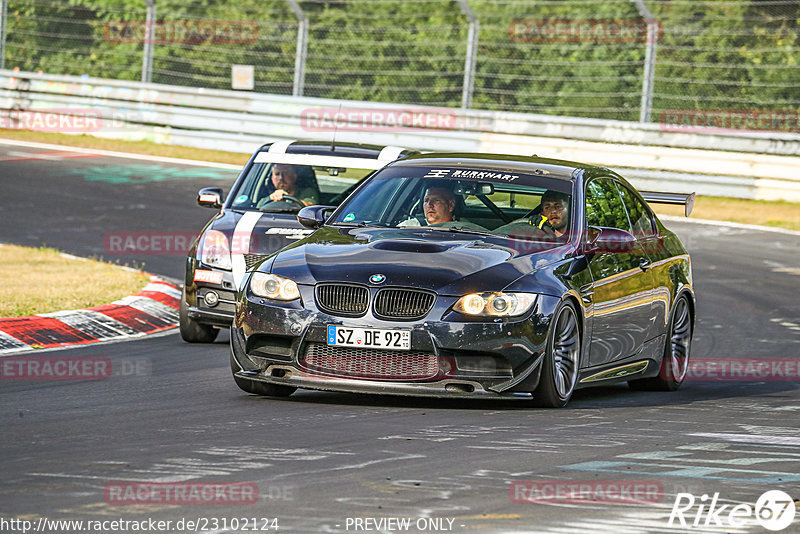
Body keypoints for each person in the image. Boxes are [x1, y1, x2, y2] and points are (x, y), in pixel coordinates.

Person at [398, 184, 486, 231]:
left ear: (451, 205)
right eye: (426, 200)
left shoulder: (465, 228)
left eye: (436, 200)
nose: (429, 205)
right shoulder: (409, 226)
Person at [494, 189, 570, 239]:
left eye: (558, 206)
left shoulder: (577, 237)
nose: (553, 211)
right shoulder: (533, 234)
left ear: (569, 210)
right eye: (547, 207)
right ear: (542, 213)